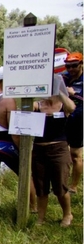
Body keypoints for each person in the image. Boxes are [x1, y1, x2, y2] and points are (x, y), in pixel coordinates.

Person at [0, 66, 36, 221]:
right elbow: (13, 130)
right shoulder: (8, 100)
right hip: (5, 143)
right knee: (26, 175)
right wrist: (21, 149)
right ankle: (34, 209)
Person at [32, 84, 76, 227]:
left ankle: (67, 214)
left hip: (59, 150)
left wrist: (61, 92)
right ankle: (41, 218)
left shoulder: (63, 106)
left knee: (60, 186)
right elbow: (23, 114)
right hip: (39, 150)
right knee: (41, 186)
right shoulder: (37, 105)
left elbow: (72, 108)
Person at [62, 52, 83, 193]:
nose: (71, 69)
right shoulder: (64, 77)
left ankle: (74, 186)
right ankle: (62, 184)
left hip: (79, 120)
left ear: (81, 64)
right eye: (68, 66)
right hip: (63, 119)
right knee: (62, 154)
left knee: (75, 155)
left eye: (74, 66)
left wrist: (73, 94)